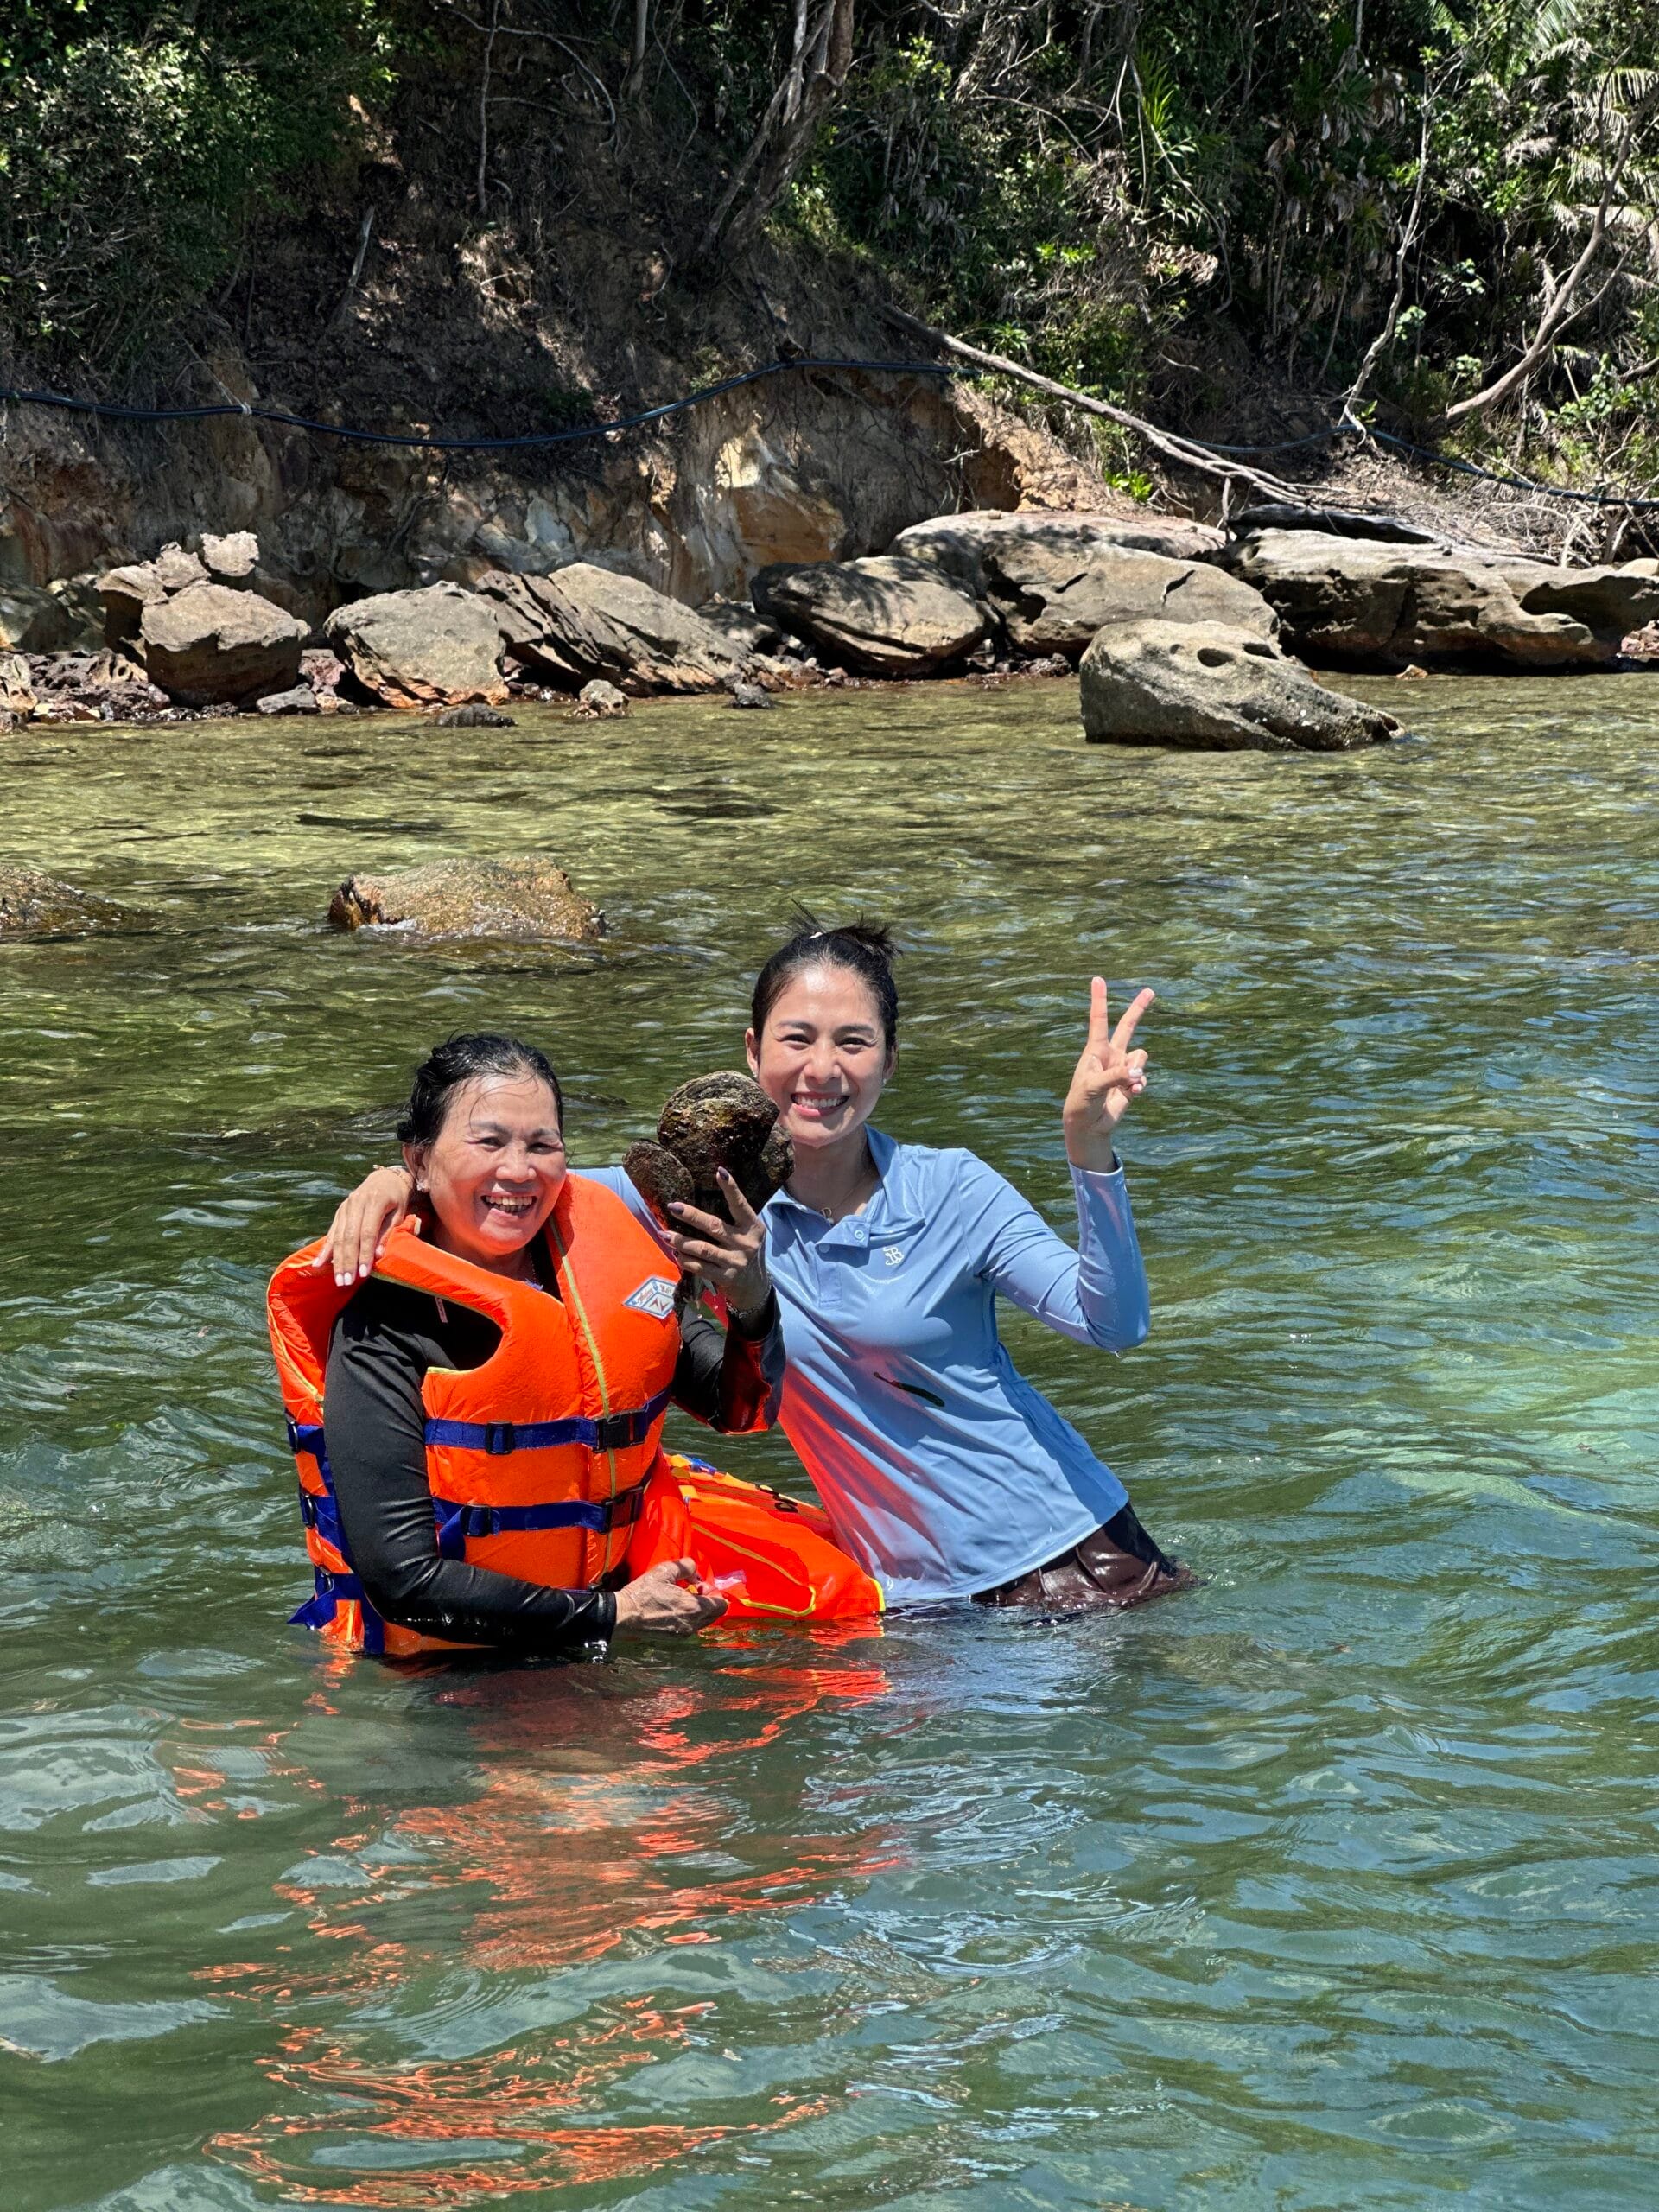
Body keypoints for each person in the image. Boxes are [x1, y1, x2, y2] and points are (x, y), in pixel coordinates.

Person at [320, 926, 1190, 1613]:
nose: (822, 1069)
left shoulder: (951, 1188)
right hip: (912, 1602)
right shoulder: (681, 1199)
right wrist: (396, 1182)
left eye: (854, 1042)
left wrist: (1089, 1152)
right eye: (797, 1038)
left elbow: (1111, 1324)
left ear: (890, 1060)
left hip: (1075, 1560)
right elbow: (513, 1182)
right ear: (752, 1050)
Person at [269, 1033, 787, 1657]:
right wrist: (613, 1614)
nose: (519, 1170)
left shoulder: (608, 1269)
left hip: (608, 1630)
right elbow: (403, 1582)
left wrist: (751, 1298)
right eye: (488, 1142)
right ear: (420, 1161)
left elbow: (743, 1411)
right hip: (446, 1671)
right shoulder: (381, 1328)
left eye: (542, 1145)